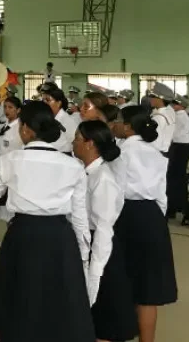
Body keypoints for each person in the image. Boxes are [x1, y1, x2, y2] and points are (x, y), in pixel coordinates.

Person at [0, 101, 93, 342]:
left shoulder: (9, 161)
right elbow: (79, 217)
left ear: (25, 129)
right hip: (60, 238)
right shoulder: (73, 165)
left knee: (21, 301)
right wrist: (83, 254)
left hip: (22, 236)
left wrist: (8, 215)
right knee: (59, 305)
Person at [112, 106, 178, 342]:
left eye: (119, 121)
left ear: (128, 127)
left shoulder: (121, 153)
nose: (115, 124)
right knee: (147, 291)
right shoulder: (157, 152)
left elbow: (116, 192)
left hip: (126, 215)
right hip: (152, 216)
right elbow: (162, 196)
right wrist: (155, 220)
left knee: (122, 283)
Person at [73, 121, 138, 342]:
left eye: (77, 139)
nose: (73, 143)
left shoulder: (103, 178)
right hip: (90, 244)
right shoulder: (87, 173)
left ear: (90, 144)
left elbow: (103, 229)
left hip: (102, 251)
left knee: (105, 317)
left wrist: (95, 273)